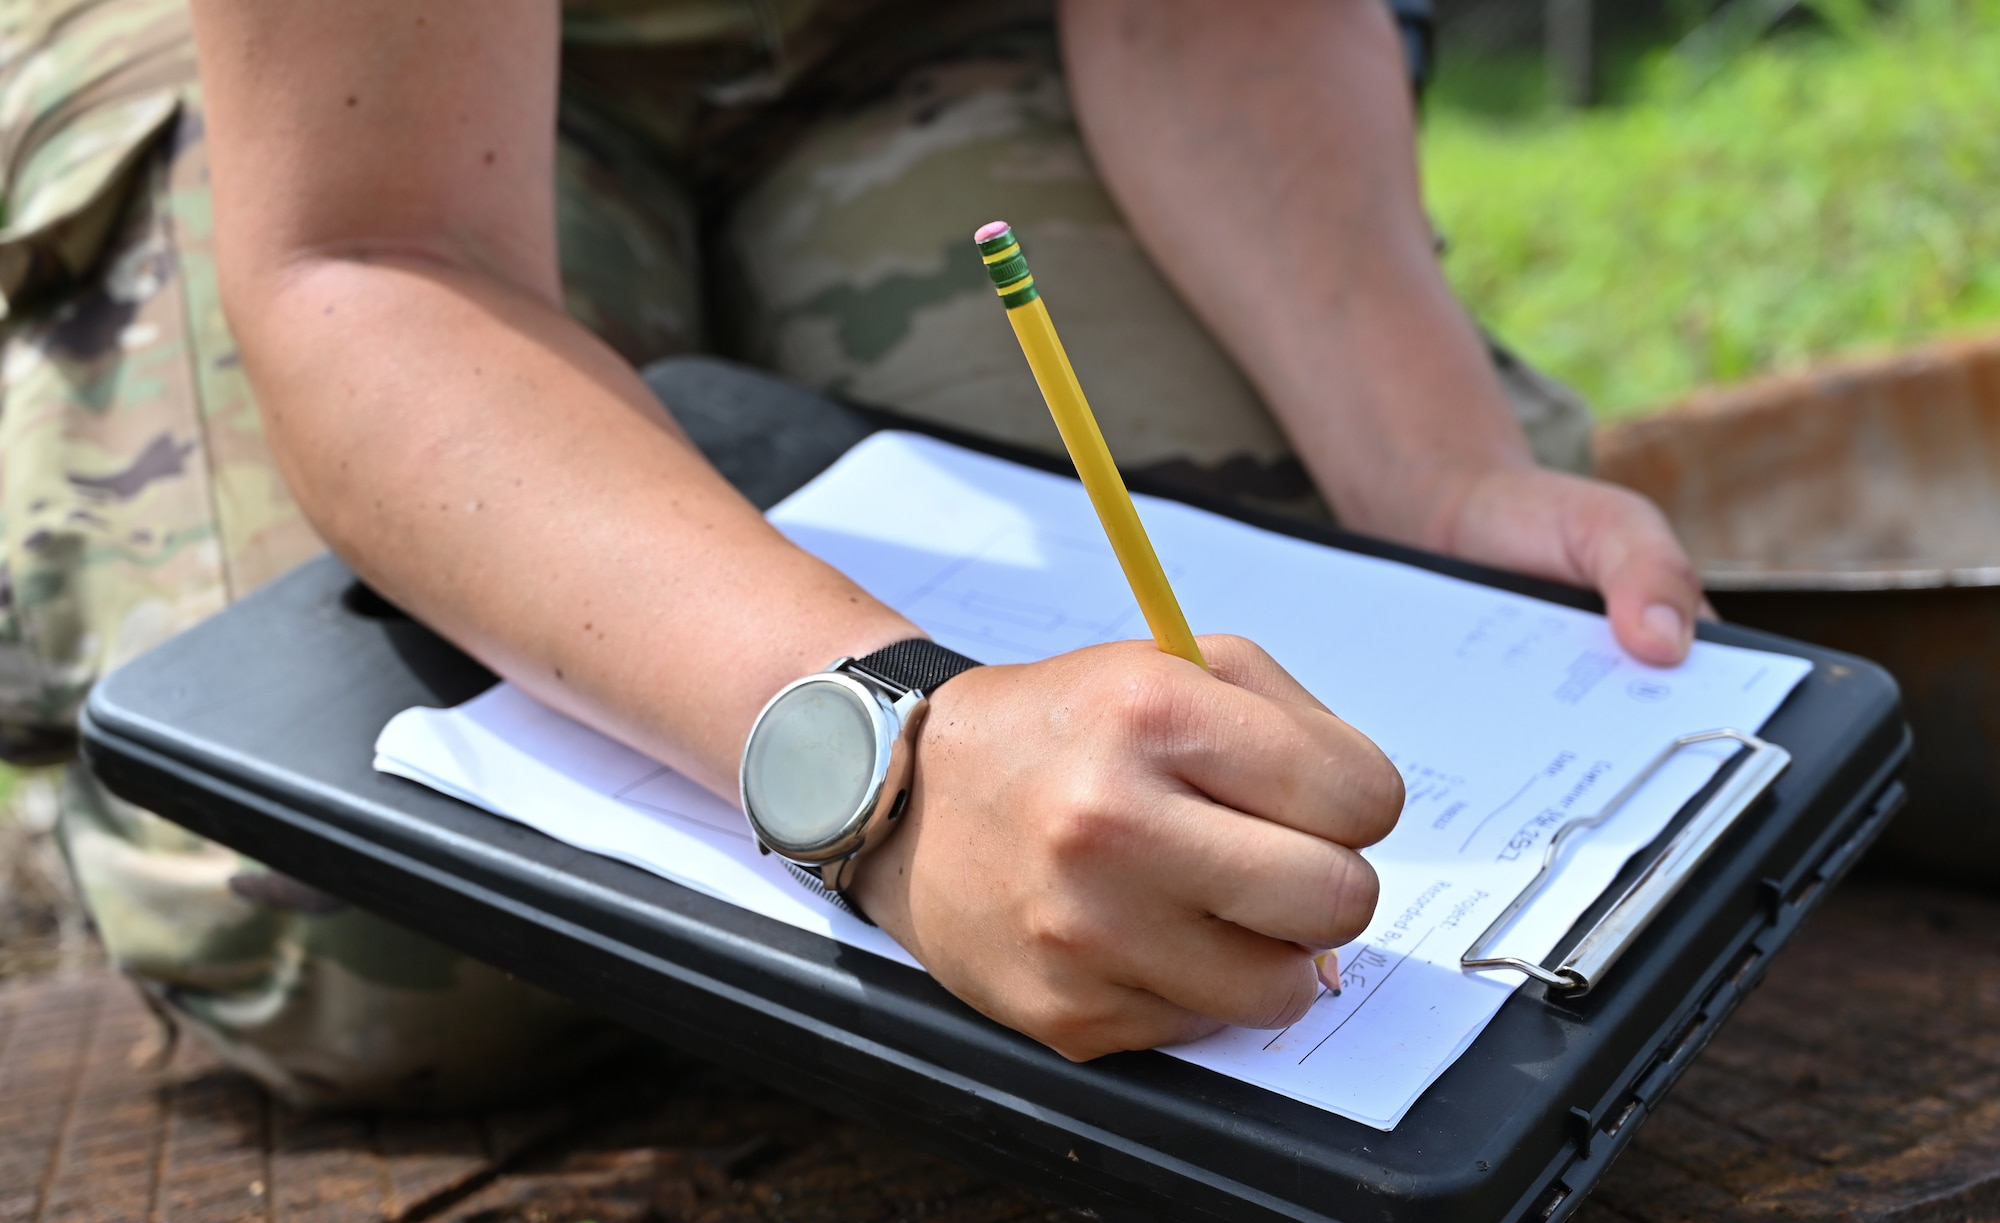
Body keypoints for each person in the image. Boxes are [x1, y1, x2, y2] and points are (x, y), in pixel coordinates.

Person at [0, 0, 1703, 1104]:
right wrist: (898, 757)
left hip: (909, 33)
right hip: (349, 88)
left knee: (1278, 658)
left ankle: (730, 373)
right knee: (377, 932)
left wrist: (1426, 464)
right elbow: (376, 242)